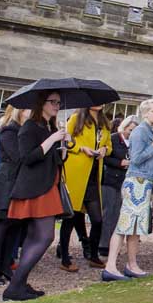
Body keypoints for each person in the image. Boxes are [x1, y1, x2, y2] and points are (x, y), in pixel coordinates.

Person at [4, 91, 69, 301]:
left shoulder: (48, 127)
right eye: (53, 102)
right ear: (41, 103)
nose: (57, 106)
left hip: (48, 184)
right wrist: (52, 139)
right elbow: (28, 158)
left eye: (59, 102)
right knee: (45, 236)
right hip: (35, 188)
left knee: (34, 237)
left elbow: (53, 159)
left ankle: (20, 284)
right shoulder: (30, 127)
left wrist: (63, 148)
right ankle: (14, 286)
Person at [102, 99, 153, 281]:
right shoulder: (140, 132)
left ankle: (132, 264)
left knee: (135, 227)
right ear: (145, 113)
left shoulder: (147, 131)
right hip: (136, 182)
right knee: (124, 225)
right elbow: (136, 158)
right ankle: (111, 266)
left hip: (143, 182)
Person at [0, 105, 31, 285]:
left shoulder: (28, 131)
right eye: (29, 110)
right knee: (2, 225)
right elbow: (17, 157)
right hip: (7, 181)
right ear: (21, 111)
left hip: (22, 183)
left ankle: (5, 265)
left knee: (16, 225)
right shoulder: (10, 130)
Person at [59, 106, 112, 271]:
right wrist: (81, 148)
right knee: (70, 217)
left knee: (97, 219)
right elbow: (66, 140)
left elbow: (108, 145)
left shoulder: (104, 123)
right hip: (77, 172)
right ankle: (65, 258)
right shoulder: (77, 118)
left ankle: (93, 255)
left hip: (94, 175)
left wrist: (104, 150)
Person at [99, 116, 136, 258]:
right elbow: (106, 157)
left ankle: (113, 244)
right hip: (110, 180)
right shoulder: (114, 138)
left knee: (119, 214)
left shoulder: (133, 142)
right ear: (124, 127)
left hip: (125, 181)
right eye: (129, 130)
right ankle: (103, 244)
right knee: (109, 212)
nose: (131, 133)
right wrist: (120, 162)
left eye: (133, 130)